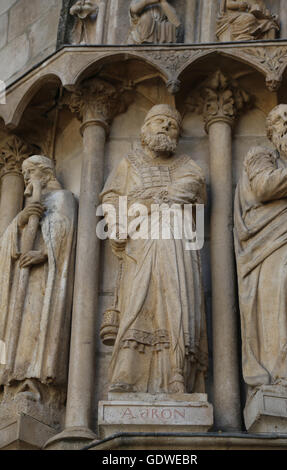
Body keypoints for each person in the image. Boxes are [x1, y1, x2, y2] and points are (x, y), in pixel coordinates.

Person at [100, 104, 208, 394]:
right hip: (140, 244)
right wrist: (117, 223)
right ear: (144, 129)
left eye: (171, 125)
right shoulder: (128, 164)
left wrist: (145, 202)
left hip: (176, 242)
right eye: (158, 122)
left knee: (176, 304)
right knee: (137, 304)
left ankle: (177, 373)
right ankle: (128, 373)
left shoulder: (187, 166)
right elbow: (110, 199)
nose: (165, 128)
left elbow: (190, 190)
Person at [0, 156, 77, 404]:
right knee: (22, 328)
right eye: (23, 176)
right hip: (25, 278)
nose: (26, 184)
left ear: (43, 174)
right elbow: (7, 245)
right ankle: (16, 378)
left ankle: (38, 382)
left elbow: (67, 234)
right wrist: (22, 219)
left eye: (29, 175)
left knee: (41, 325)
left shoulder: (63, 197)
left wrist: (43, 253)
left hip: (47, 278)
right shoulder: (29, 206)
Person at [234, 104, 287, 390]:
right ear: (272, 133)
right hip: (271, 243)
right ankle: (282, 371)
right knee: (283, 302)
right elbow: (263, 186)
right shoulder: (261, 155)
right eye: (281, 121)